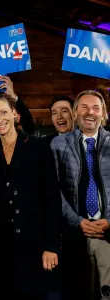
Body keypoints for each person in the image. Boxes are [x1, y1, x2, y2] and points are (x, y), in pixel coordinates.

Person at [0, 71, 62, 300]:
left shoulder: (38, 148)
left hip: (35, 249)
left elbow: (51, 199)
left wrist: (51, 245)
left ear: (15, 115)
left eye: (3, 113)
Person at [51, 90, 110, 300]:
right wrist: (76, 221)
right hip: (74, 235)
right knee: (78, 293)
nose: (90, 112)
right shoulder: (58, 144)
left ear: (103, 113)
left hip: (107, 235)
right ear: (75, 113)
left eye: (95, 107)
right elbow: (53, 189)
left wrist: (109, 221)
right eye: (84, 107)